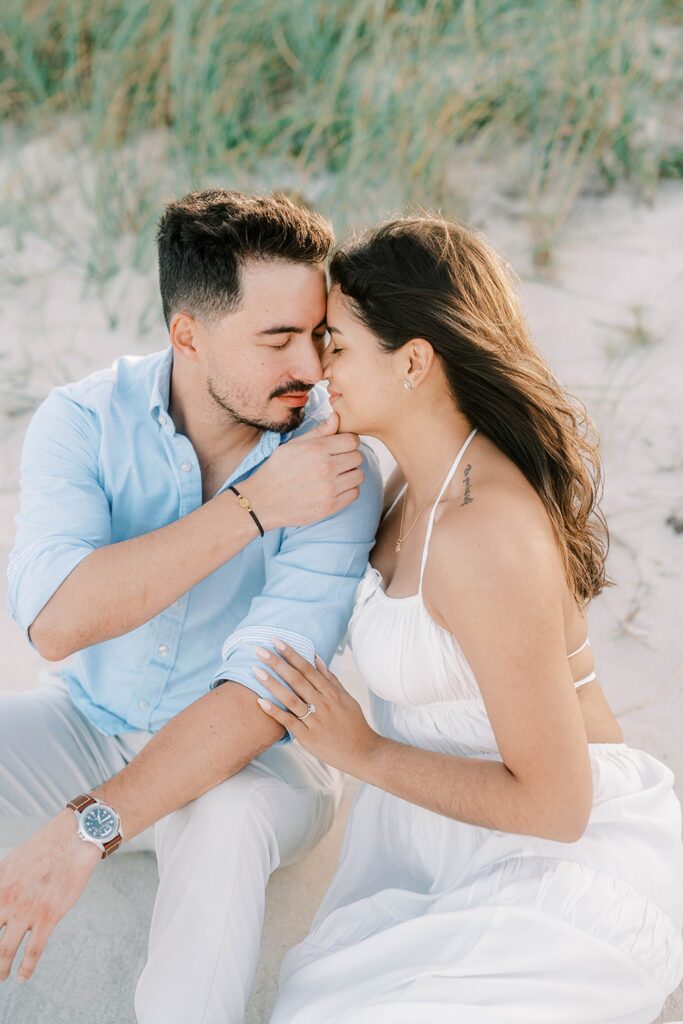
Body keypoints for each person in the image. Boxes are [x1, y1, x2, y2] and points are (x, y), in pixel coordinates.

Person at [253, 216, 683, 1024]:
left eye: (335, 345)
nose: (316, 369)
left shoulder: (481, 533)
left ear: (413, 360)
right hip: (446, 852)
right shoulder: (400, 490)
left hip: (560, 865)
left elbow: (558, 805)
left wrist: (364, 752)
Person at [0, 189, 383, 1024]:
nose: (311, 368)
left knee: (232, 818)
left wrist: (83, 830)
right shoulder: (82, 420)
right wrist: (249, 509)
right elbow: (57, 622)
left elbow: (262, 696)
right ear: (188, 335)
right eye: (277, 339)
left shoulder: (336, 463)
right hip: (87, 724)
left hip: (254, 761)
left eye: (317, 335)